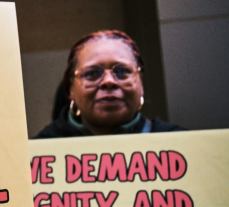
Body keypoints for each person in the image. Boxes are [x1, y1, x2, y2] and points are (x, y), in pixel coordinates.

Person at [36, 30, 182, 138]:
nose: (109, 81)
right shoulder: (35, 156)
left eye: (122, 71)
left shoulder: (182, 146)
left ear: (140, 83)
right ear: (71, 90)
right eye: (92, 74)